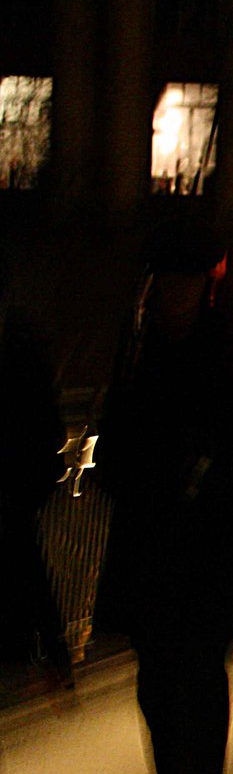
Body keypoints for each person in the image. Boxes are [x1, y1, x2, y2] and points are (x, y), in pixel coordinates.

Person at [95, 227, 233, 774]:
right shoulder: (138, 348)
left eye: (185, 282)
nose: (174, 294)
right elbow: (114, 436)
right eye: (167, 282)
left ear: (206, 285)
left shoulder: (231, 352)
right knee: (156, 684)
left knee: (200, 681)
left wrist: (214, 478)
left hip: (208, 547)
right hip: (152, 543)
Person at [0, 253, 73, 687]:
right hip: (15, 494)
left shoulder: (23, 344)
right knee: (25, 559)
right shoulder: (25, 340)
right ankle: (51, 650)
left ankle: (46, 648)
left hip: (12, 493)